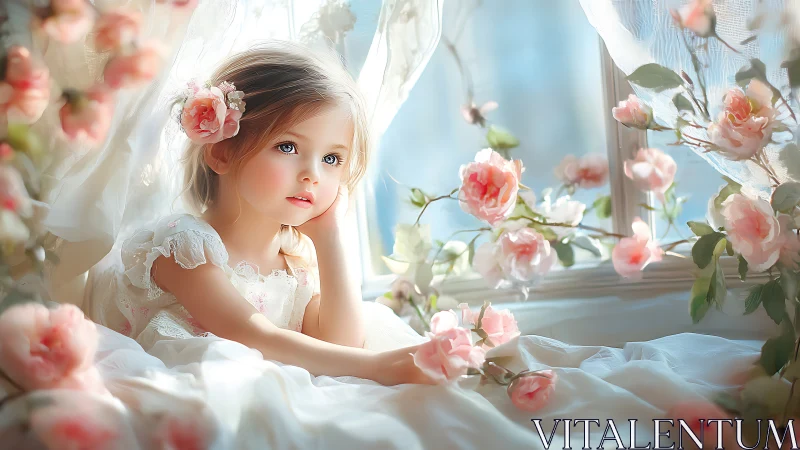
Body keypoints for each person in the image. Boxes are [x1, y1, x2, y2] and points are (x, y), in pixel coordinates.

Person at [98, 42, 434, 386]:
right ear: (222, 153)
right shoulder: (184, 248)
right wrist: (379, 366)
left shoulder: (295, 265)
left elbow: (342, 347)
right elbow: (255, 336)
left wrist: (330, 236)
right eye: (287, 147)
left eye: (331, 159)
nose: (313, 175)